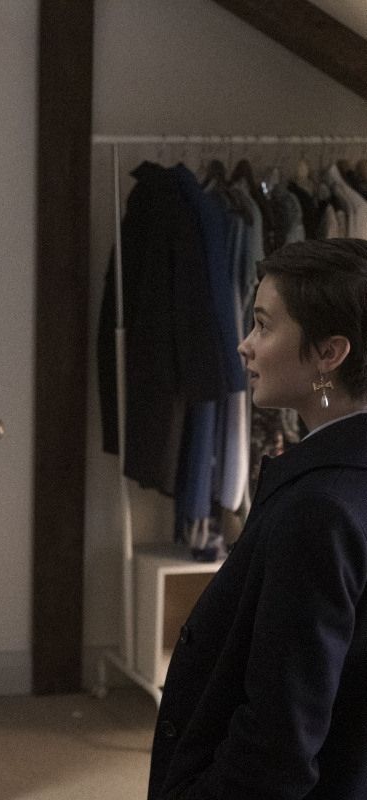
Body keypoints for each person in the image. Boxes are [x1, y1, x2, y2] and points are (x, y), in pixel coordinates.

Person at [148, 238, 367, 799]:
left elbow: (276, 744)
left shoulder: (319, 510)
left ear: (329, 353)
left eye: (264, 326)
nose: (244, 345)